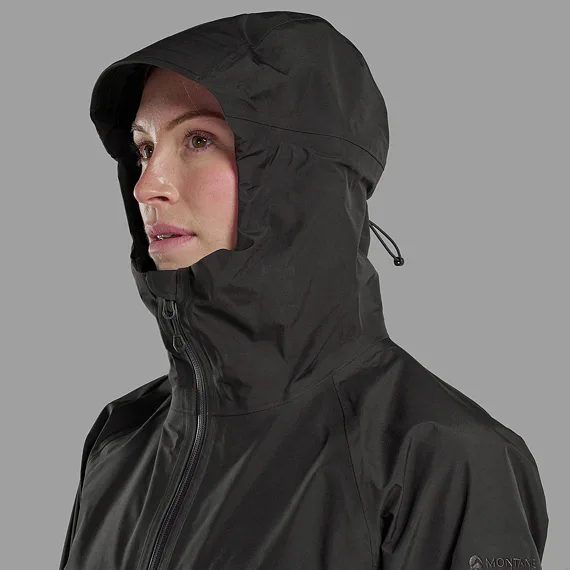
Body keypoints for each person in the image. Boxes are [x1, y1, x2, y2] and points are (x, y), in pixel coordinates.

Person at [59, 11, 548, 570]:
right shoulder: (122, 439)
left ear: (301, 180)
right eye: (144, 149)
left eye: (198, 139)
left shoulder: (439, 457)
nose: (148, 185)